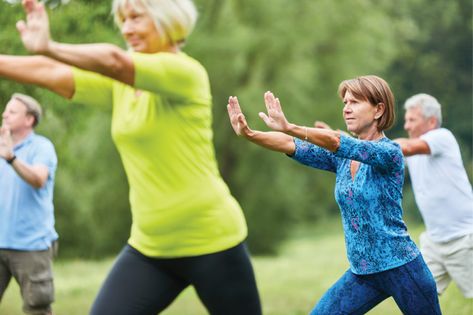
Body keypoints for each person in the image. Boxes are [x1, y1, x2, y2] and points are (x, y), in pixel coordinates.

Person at [0, 0, 262, 314]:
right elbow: (52, 72)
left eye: (136, 18)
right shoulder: (121, 87)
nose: (126, 28)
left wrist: (49, 45)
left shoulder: (185, 72)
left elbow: (114, 60)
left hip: (212, 241)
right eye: (123, 20)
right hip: (150, 246)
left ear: (169, 20)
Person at [227, 76, 442, 314]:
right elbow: (291, 144)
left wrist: (290, 126)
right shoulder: (341, 158)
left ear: (378, 109)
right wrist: (249, 134)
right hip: (362, 273)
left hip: (402, 268)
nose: (346, 109)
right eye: (345, 102)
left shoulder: (389, 153)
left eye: (355, 102)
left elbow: (337, 141)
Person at [395, 93, 473, 298]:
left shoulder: (442, 137)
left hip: (464, 239)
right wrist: (342, 141)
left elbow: (405, 147)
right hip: (434, 243)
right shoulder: (410, 152)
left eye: (412, 120)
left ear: (431, 121)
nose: (407, 126)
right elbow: (383, 156)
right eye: (406, 120)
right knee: (418, 297)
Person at [0, 93, 58, 315]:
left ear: (29, 119)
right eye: (6, 110)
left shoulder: (42, 147)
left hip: (31, 245)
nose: (4, 114)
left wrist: (11, 158)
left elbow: (38, 179)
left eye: (12, 112)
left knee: (37, 308)